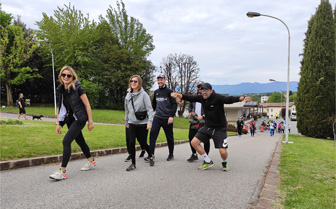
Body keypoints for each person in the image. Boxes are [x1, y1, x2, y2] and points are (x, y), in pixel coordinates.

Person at [171, 82, 251, 171]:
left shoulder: (217, 97)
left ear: (211, 91)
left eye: (206, 90)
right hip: (208, 126)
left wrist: (242, 98)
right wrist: (178, 95)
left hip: (220, 128)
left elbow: (229, 99)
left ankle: (224, 162)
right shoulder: (201, 98)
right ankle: (208, 161)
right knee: (194, 142)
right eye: (202, 90)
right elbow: (189, 97)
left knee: (222, 152)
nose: (204, 92)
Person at [49, 66, 95, 181]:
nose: (66, 77)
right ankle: (91, 161)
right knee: (80, 141)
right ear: (60, 76)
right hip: (69, 119)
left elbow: (87, 105)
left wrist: (90, 121)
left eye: (68, 75)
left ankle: (62, 171)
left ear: (73, 77)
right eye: (63, 75)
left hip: (79, 119)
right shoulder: (60, 90)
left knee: (66, 141)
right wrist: (57, 123)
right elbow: (60, 106)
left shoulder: (78, 88)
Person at [124, 75, 154, 171]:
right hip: (132, 122)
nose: (133, 83)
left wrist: (150, 121)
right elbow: (126, 109)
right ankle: (133, 164)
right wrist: (126, 120)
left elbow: (149, 109)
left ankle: (150, 155)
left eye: (135, 81)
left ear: (139, 83)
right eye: (131, 81)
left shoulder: (144, 95)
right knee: (131, 142)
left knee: (143, 143)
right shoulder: (128, 94)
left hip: (143, 123)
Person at [148, 74, 177, 162]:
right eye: (158, 80)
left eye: (161, 80)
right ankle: (151, 154)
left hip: (167, 118)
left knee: (169, 137)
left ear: (165, 80)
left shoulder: (169, 91)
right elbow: (154, 105)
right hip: (157, 117)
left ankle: (171, 154)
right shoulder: (156, 92)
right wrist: (150, 114)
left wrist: (171, 116)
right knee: (152, 134)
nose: (160, 81)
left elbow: (174, 104)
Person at [187, 82, 210, 162]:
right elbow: (189, 106)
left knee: (205, 140)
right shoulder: (194, 96)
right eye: (199, 88)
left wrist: (203, 115)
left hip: (204, 121)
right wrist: (191, 112)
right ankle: (194, 154)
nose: (201, 89)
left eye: (202, 88)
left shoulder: (207, 97)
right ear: (197, 88)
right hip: (195, 120)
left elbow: (210, 109)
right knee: (191, 137)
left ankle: (206, 156)